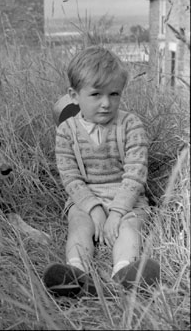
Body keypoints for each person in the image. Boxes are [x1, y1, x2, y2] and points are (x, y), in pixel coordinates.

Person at [44, 46, 160, 298]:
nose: (106, 103)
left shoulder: (131, 125)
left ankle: (125, 272)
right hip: (86, 198)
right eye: (96, 94)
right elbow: (70, 176)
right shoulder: (66, 131)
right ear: (74, 95)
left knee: (129, 228)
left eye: (114, 94)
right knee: (79, 226)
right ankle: (75, 272)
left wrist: (117, 213)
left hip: (127, 198)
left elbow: (135, 173)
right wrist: (94, 209)